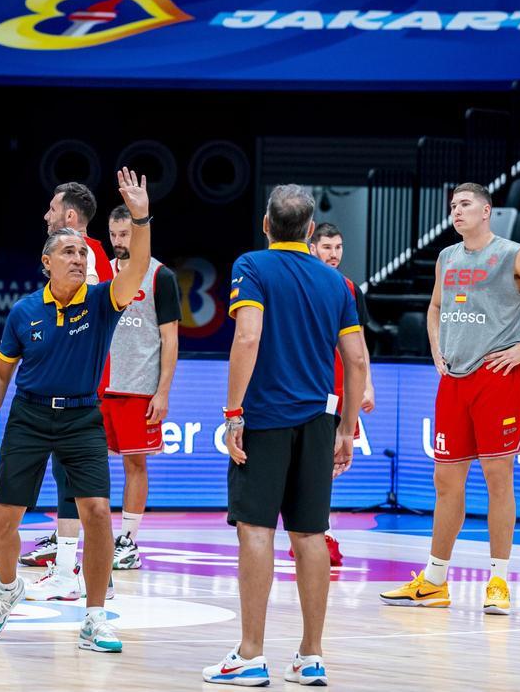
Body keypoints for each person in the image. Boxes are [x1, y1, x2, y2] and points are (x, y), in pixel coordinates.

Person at [0, 168, 153, 652]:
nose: (79, 257)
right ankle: (8, 588)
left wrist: (140, 216)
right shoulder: (24, 312)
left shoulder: (101, 301)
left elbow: (136, 267)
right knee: (3, 521)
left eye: (82, 252)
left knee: (96, 512)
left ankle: (94, 618)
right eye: (68, 252)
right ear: (47, 262)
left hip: (81, 418)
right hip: (29, 417)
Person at [379, 182, 520, 615]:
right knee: (446, 483)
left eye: (465, 204)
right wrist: (435, 345)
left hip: (496, 378)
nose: (457, 210)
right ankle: (434, 581)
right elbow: (435, 308)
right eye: (453, 205)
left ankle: (499, 580)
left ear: (486, 211)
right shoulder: (446, 258)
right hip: (453, 380)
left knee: (497, 479)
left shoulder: (513, 254)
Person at [203, 185, 366, 687]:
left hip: (265, 419)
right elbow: (357, 360)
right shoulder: (336, 283)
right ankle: (311, 656)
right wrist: (346, 425)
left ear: (267, 225)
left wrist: (233, 413)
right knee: (311, 535)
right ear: (312, 232)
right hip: (318, 421)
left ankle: (251, 655)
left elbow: (247, 336)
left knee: (256, 530)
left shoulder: (251, 265)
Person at [19, 183, 116, 579]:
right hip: (83, 382)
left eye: (52, 208)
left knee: (80, 484)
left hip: (83, 386)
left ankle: (78, 571)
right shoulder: (88, 255)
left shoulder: (84, 257)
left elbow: (83, 323)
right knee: (70, 479)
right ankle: (69, 567)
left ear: (70, 218)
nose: (46, 215)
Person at [292, 222, 376, 566]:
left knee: (327, 464)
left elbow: (359, 346)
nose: (334, 253)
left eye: (338, 247)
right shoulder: (301, 284)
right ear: (312, 248)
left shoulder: (350, 289)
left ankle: (315, 531)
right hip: (307, 386)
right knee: (309, 463)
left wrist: (367, 383)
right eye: (327, 247)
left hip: (340, 389)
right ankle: (309, 531)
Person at [103, 204, 180, 570]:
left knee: (135, 465)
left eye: (126, 235)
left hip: (139, 388)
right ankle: (81, 537)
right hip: (100, 386)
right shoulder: (101, 272)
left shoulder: (160, 276)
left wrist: (162, 391)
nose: (119, 242)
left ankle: (128, 541)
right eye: (114, 234)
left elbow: (170, 338)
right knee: (84, 465)